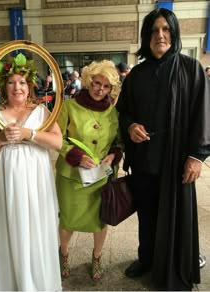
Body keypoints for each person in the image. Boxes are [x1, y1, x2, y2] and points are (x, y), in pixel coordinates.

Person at [116, 8, 210, 291]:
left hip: (176, 161)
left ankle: (174, 267)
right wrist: (131, 126)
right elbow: (123, 113)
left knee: (175, 216)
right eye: (155, 30)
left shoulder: (190, 69)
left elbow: (203, 114)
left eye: (166, 29)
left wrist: (196, 157)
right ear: (147, 36)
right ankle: (146, 259)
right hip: (145, 160)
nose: (160, 35)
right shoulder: (135, 75)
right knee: (146, 215)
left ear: (174, 33)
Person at [0, 53, 63, 291]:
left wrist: (29, 134)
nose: (17, 87)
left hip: (35, 181)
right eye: (11, 82)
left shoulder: (42, 112)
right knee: (2, 228)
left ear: (30, 85)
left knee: (33, 229)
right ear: (4, 85)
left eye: (22, 82)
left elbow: (57, 143)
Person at [55, 60, 122, 281]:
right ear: (87, 81)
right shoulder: (68, 107)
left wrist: (113, 155)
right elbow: (57, 139)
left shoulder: (114, 113)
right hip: (71, 177)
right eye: (96, 83)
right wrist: (77, 156)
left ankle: (96, 257)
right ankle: (63, 254)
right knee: (68, 220)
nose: (99, 89)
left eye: (105, 86)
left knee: (98, 221)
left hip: (100, 178)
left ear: (111, 89)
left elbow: (119, 143)